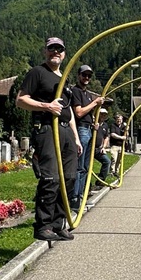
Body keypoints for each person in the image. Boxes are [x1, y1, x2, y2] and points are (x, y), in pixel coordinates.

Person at [16, 36, 82, 241]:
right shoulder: (38, 73)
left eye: (59, 49)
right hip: (46, 128)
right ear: (46, 51)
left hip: (66, 131)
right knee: (51, 177)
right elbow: (20, 100)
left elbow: (68, 110)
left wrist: (76, 138)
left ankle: (58, 222)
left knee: (69, 178)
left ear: (64, 54)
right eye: (52, 49)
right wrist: (47, 106)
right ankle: (43, 225)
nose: (55, 52)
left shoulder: (65, 79)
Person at [70, 64, 106, 209]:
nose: (86, 78)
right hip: (81, 130)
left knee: (85, 166)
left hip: (89, 129)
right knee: (79, 166)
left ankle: (82, 195)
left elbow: (87, 113)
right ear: (78, 75)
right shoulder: (76, 91)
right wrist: (94, 103)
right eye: (84, 75)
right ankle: (75, 198)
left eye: (89, 76)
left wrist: (94, 123)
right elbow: (78, 112)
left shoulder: (87, 94)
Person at [92, 107, 112, 191]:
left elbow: (106, 137)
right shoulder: (93, 123)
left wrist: (104, 147)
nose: (103, 116)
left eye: (105, 114)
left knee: (107, 161)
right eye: (101, 114)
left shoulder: (105, 125)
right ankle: (87, 186)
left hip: (98, 149)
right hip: (90, 148)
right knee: (86, 167)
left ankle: (100, 182)